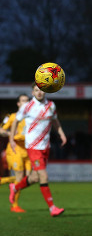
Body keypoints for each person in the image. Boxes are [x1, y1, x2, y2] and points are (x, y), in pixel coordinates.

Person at [8, 84, 67, 217]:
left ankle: (15, 187)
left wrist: (61, 134)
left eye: (41, 90)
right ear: (32, 92)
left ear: (45, 91)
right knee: (43, 176)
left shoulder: (51, 105)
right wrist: (11, 139)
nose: (39, 92)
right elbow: (15, 122)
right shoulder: (27, 106)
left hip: (45, 147)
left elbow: (55, 121)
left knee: (34, 177)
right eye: (36, 90)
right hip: (33, 147)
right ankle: (52, 208)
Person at [2, 94, 32, 212]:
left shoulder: (31, 118)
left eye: (27, 101)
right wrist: (12, 135)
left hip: (28, 151)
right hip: (15, 150)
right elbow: (1, 130)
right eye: (23, 101)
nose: (25, 103)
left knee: (28, 179)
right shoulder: (12, 116)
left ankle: (7, 182)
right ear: (18, 104)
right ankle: (14, 205)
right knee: (19, 177)